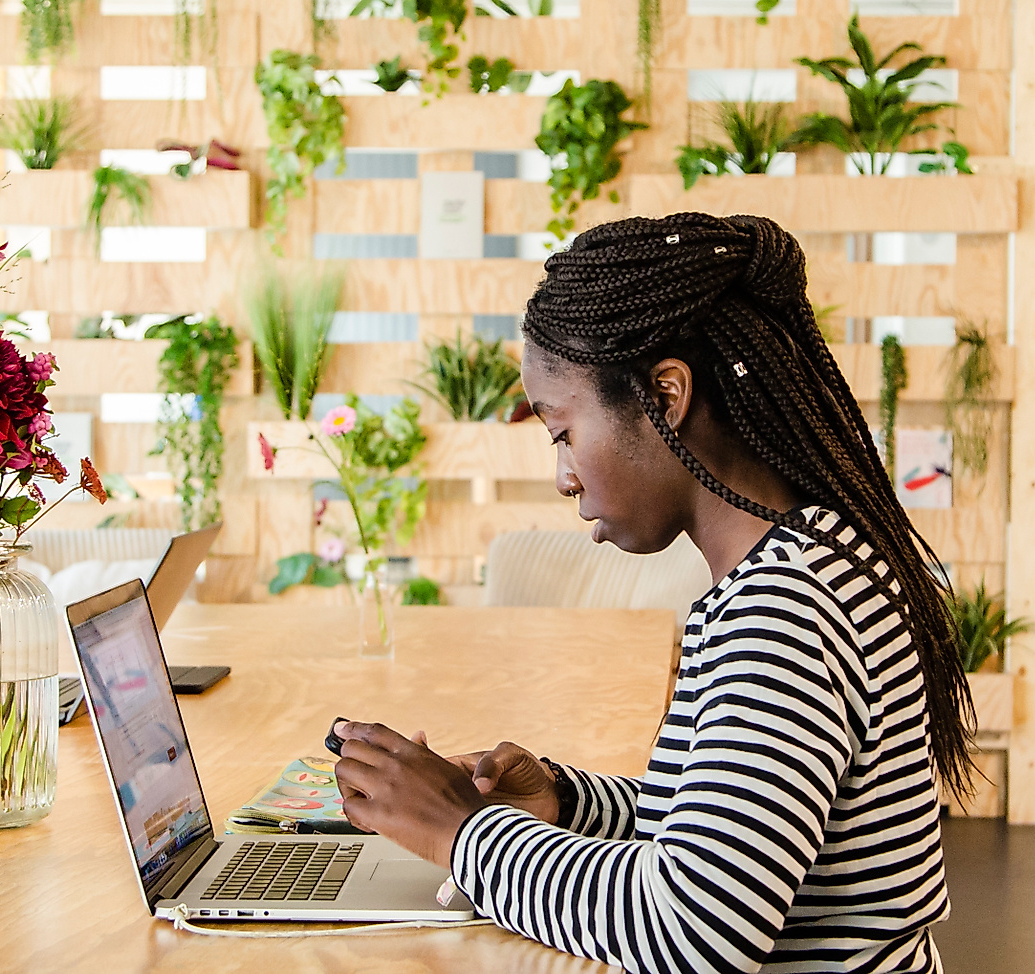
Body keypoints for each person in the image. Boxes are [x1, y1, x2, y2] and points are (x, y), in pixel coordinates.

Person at [331, 214, 972, 973]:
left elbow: (694, 930)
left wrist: (461, 832)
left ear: (666, 397)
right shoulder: (804, 561)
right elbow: (725, 834)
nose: (562, 476)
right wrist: (567, 804)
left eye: (563, 432)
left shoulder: (786, 611)